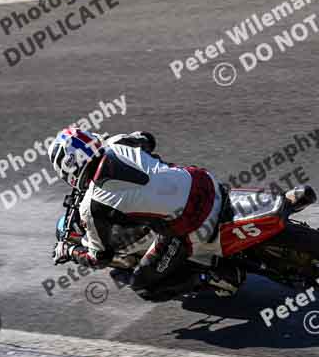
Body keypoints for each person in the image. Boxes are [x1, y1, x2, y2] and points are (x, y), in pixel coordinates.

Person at [49, 127, 242, 301]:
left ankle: (214, 277)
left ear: (68, 168)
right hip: (206, 182)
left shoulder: (92, 207)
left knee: (143, 286)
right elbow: (148, 139)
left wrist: (68, 251)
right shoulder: (116, 143)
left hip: (193, 223)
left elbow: (99, 258)